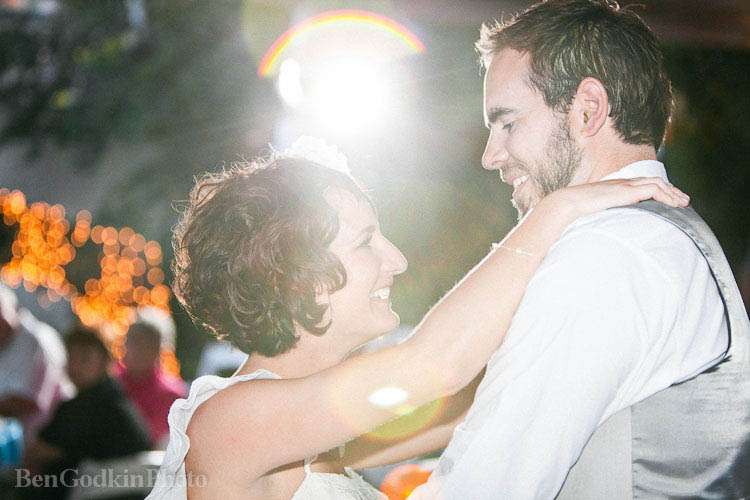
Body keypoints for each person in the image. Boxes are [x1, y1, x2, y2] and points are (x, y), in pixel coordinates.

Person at [145, 136, 687, 499]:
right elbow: (434, 365)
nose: (398, 260)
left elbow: (479, 401)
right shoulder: (229, 423)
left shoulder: (317, 433)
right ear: (295, 278)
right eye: (365, 242)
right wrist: (556, 210)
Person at [409, 1, 750, 498]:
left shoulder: (606, 255)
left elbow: (484, 486)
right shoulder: (659, 233)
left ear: (588, 109)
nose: (490, 156)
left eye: (508, 123)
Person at [23, 325, 152, 500]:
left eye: (85, 358)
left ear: (104, 361)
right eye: (71, 357)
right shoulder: (117, 398)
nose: (75, 365)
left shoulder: (87, 406)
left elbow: (37, 452)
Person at [0, 284, 69, 447]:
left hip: (44, 443)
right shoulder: (6, 340)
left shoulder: (36, 339)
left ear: (13, 310)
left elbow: (27, 402)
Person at [116, 307, 187, 447]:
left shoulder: (172, 394)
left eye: (147, 344)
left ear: (159, 348)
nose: (138, 350)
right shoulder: (110, 384)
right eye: (134, 341)